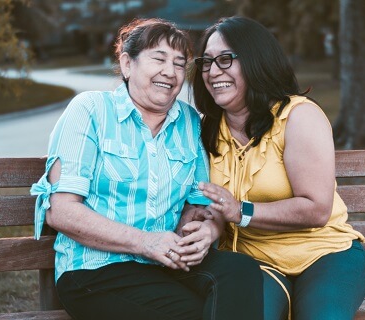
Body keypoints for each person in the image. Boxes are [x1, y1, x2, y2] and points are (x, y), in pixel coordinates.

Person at [30, 18, 263, 320]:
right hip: (95, 270)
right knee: (193, 313)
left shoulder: (189, 121)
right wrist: (146, 242)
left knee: (239, 270)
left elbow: (199, 202)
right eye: (159, 59)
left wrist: (202, 230)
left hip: (164, 263)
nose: (170, 72)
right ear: (127, 64)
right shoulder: (90, 110)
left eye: (180, 64)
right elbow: (61, 211)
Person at [191, 16, 365, 320]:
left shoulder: (298, 116)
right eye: (206, 62)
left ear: (256, 61)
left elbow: (316, 209)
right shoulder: (207, 129)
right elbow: (211, 205)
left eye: (225, 59)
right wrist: (205, 225)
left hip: (325, 255)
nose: (212, 71)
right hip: (252, 261)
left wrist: (241, 211)